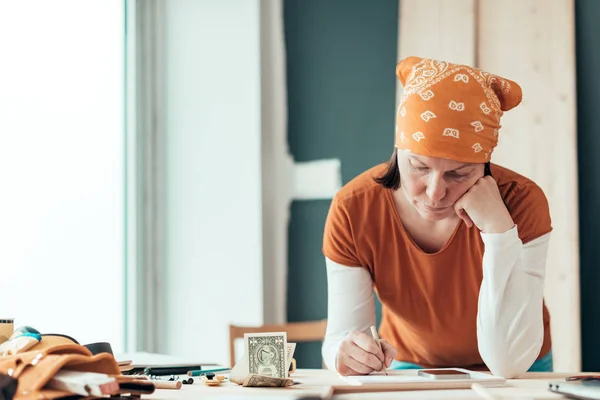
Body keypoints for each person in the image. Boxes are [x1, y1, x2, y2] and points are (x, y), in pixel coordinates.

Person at [321, 56, 553, 379]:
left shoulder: (523, 202)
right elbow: (340, 337)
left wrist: (500, 232)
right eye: (419, 167)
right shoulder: (353, 209)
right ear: (398, 150)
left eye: (458, 174)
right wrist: (343, 354)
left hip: (521, 369)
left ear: (484, 166)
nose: (434, 193)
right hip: (411, 365)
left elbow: (508, 362)